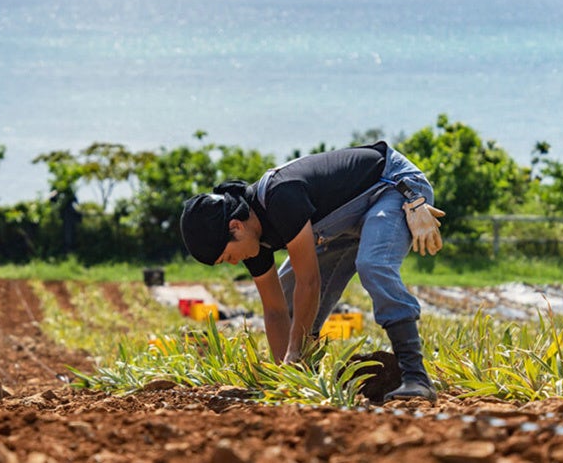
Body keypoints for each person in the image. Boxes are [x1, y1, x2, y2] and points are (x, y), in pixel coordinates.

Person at [179, 141, 445, 402]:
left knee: (373, 265)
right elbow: (275, 310)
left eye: (227, 257)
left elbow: (310, 282)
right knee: (287, 292)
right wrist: (285, 378)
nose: (234, 263)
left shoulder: (280, 197)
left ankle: (416, 377)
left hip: (394, 186)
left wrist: (294, 350)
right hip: (347, 222)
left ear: (235, 227)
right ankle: (305, 379)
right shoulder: (252, 240)